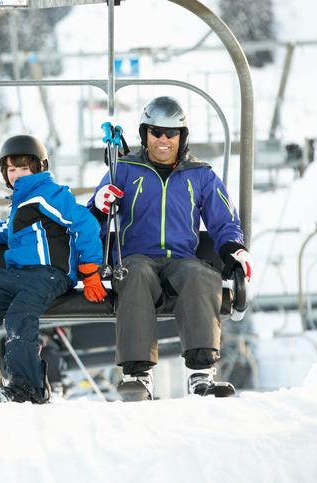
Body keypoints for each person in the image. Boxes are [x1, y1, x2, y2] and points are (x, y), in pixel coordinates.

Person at [88, 96, 253, 401]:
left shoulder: (201, 175)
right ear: (144, 134)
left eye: (171, 133)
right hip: (137, 257)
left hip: (181, 259)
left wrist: (233, 248)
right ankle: (138, 375)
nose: (163, 140)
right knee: (134, 273)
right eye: (156, 132)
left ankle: (201, 373)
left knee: (201, 276)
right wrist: (99, 207)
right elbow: (89, 222)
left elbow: (224, 220)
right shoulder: (124, 169)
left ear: (182, 137)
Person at [0, 134, 107, 404]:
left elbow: (85, 222)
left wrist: (89, 270)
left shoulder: (47, 194)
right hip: (17, 274)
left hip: (48, 272)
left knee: (19, 315)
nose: (16, 174)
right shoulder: (21, 203)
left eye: (23, 167)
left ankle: (27, 386)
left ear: (38, 168)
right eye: (11, 169)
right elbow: (7, 231)